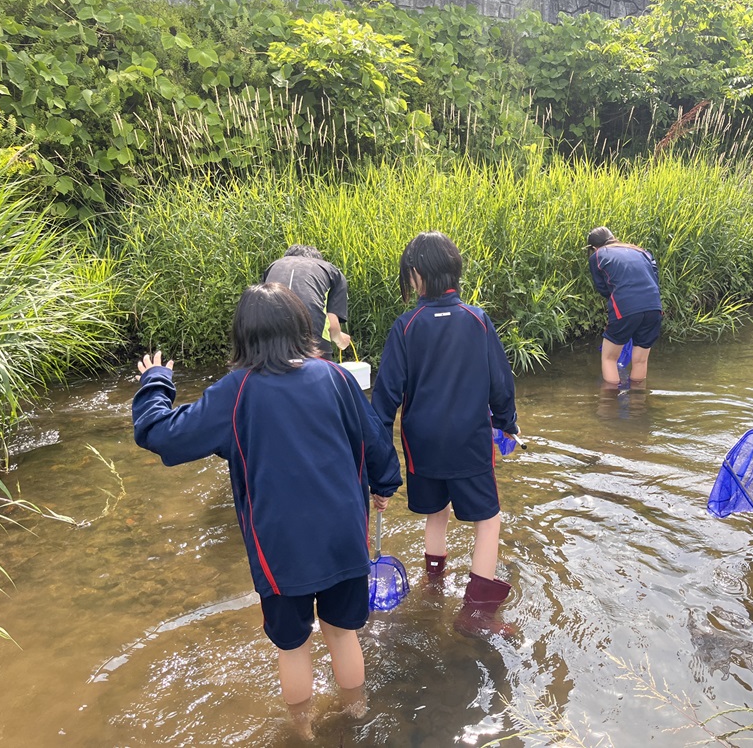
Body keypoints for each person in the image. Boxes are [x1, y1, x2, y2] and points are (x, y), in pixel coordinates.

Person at [131, 282, 402, 738]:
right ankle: (357, 718)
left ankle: (303, 732)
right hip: (343, 539)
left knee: (293, 646)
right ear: (302, 327)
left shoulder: (236, 391)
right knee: (342, 633)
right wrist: (385, 485)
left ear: (244, 338)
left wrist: (155, 381)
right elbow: (374, 437)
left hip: (280, 551)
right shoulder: (335, 378)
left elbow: (160, 434)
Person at [370, 231, 519, 637]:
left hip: (421, 446)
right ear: (453, 272)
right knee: (488, 520)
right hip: (468, 442)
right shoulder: (477, 320)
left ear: (416, 276)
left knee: (437, 514)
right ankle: (476, 614)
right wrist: (507, 422)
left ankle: (433, 589)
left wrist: (376, 464)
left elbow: (383, 401)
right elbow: (500, 385)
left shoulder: (406, 326)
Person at [586, 227, 663, 385]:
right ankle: (637, 405)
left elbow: (603, 289)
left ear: (593, 247)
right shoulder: (641, 251)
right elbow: (655, 278)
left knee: (609, 359)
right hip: (654, 306)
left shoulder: (597, 256)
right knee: (640, 361)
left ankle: (610, 405)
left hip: (626, 309)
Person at [263, 244, 351, 355]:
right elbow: (333, 328)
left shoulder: (274, 266)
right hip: (312, 346)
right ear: (318, 260)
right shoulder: (331, 271)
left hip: (267, 343)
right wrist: (341, 342)